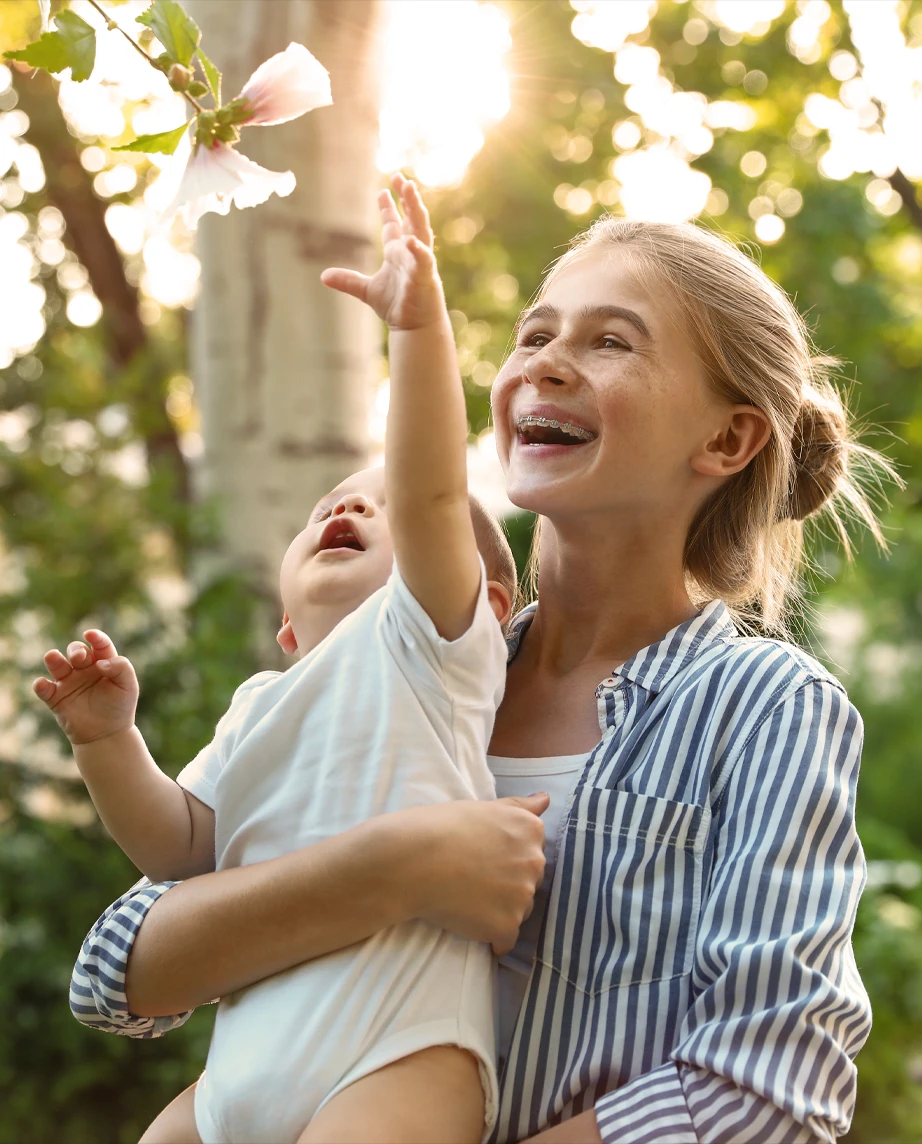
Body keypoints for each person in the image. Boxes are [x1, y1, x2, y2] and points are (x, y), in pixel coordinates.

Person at [68, 211, 888, 1144]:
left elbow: (768, 1089)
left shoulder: (767, 710)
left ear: (729, 441)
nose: (543, 362)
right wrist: (394, 870)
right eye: (534, 335)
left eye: (611, 340)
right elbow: (117, 974)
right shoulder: (399, 667)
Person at [36, 176, 522, 1144]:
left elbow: (433, 491)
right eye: (326, 508)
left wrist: (419, 332)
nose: (348, 508)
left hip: (394, 1053)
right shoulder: (261, 702)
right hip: (237, 1069)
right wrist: (108, 743)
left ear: (486, 604)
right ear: (288, 631)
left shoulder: (428, 651)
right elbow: (180, 849)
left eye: (378, 506)